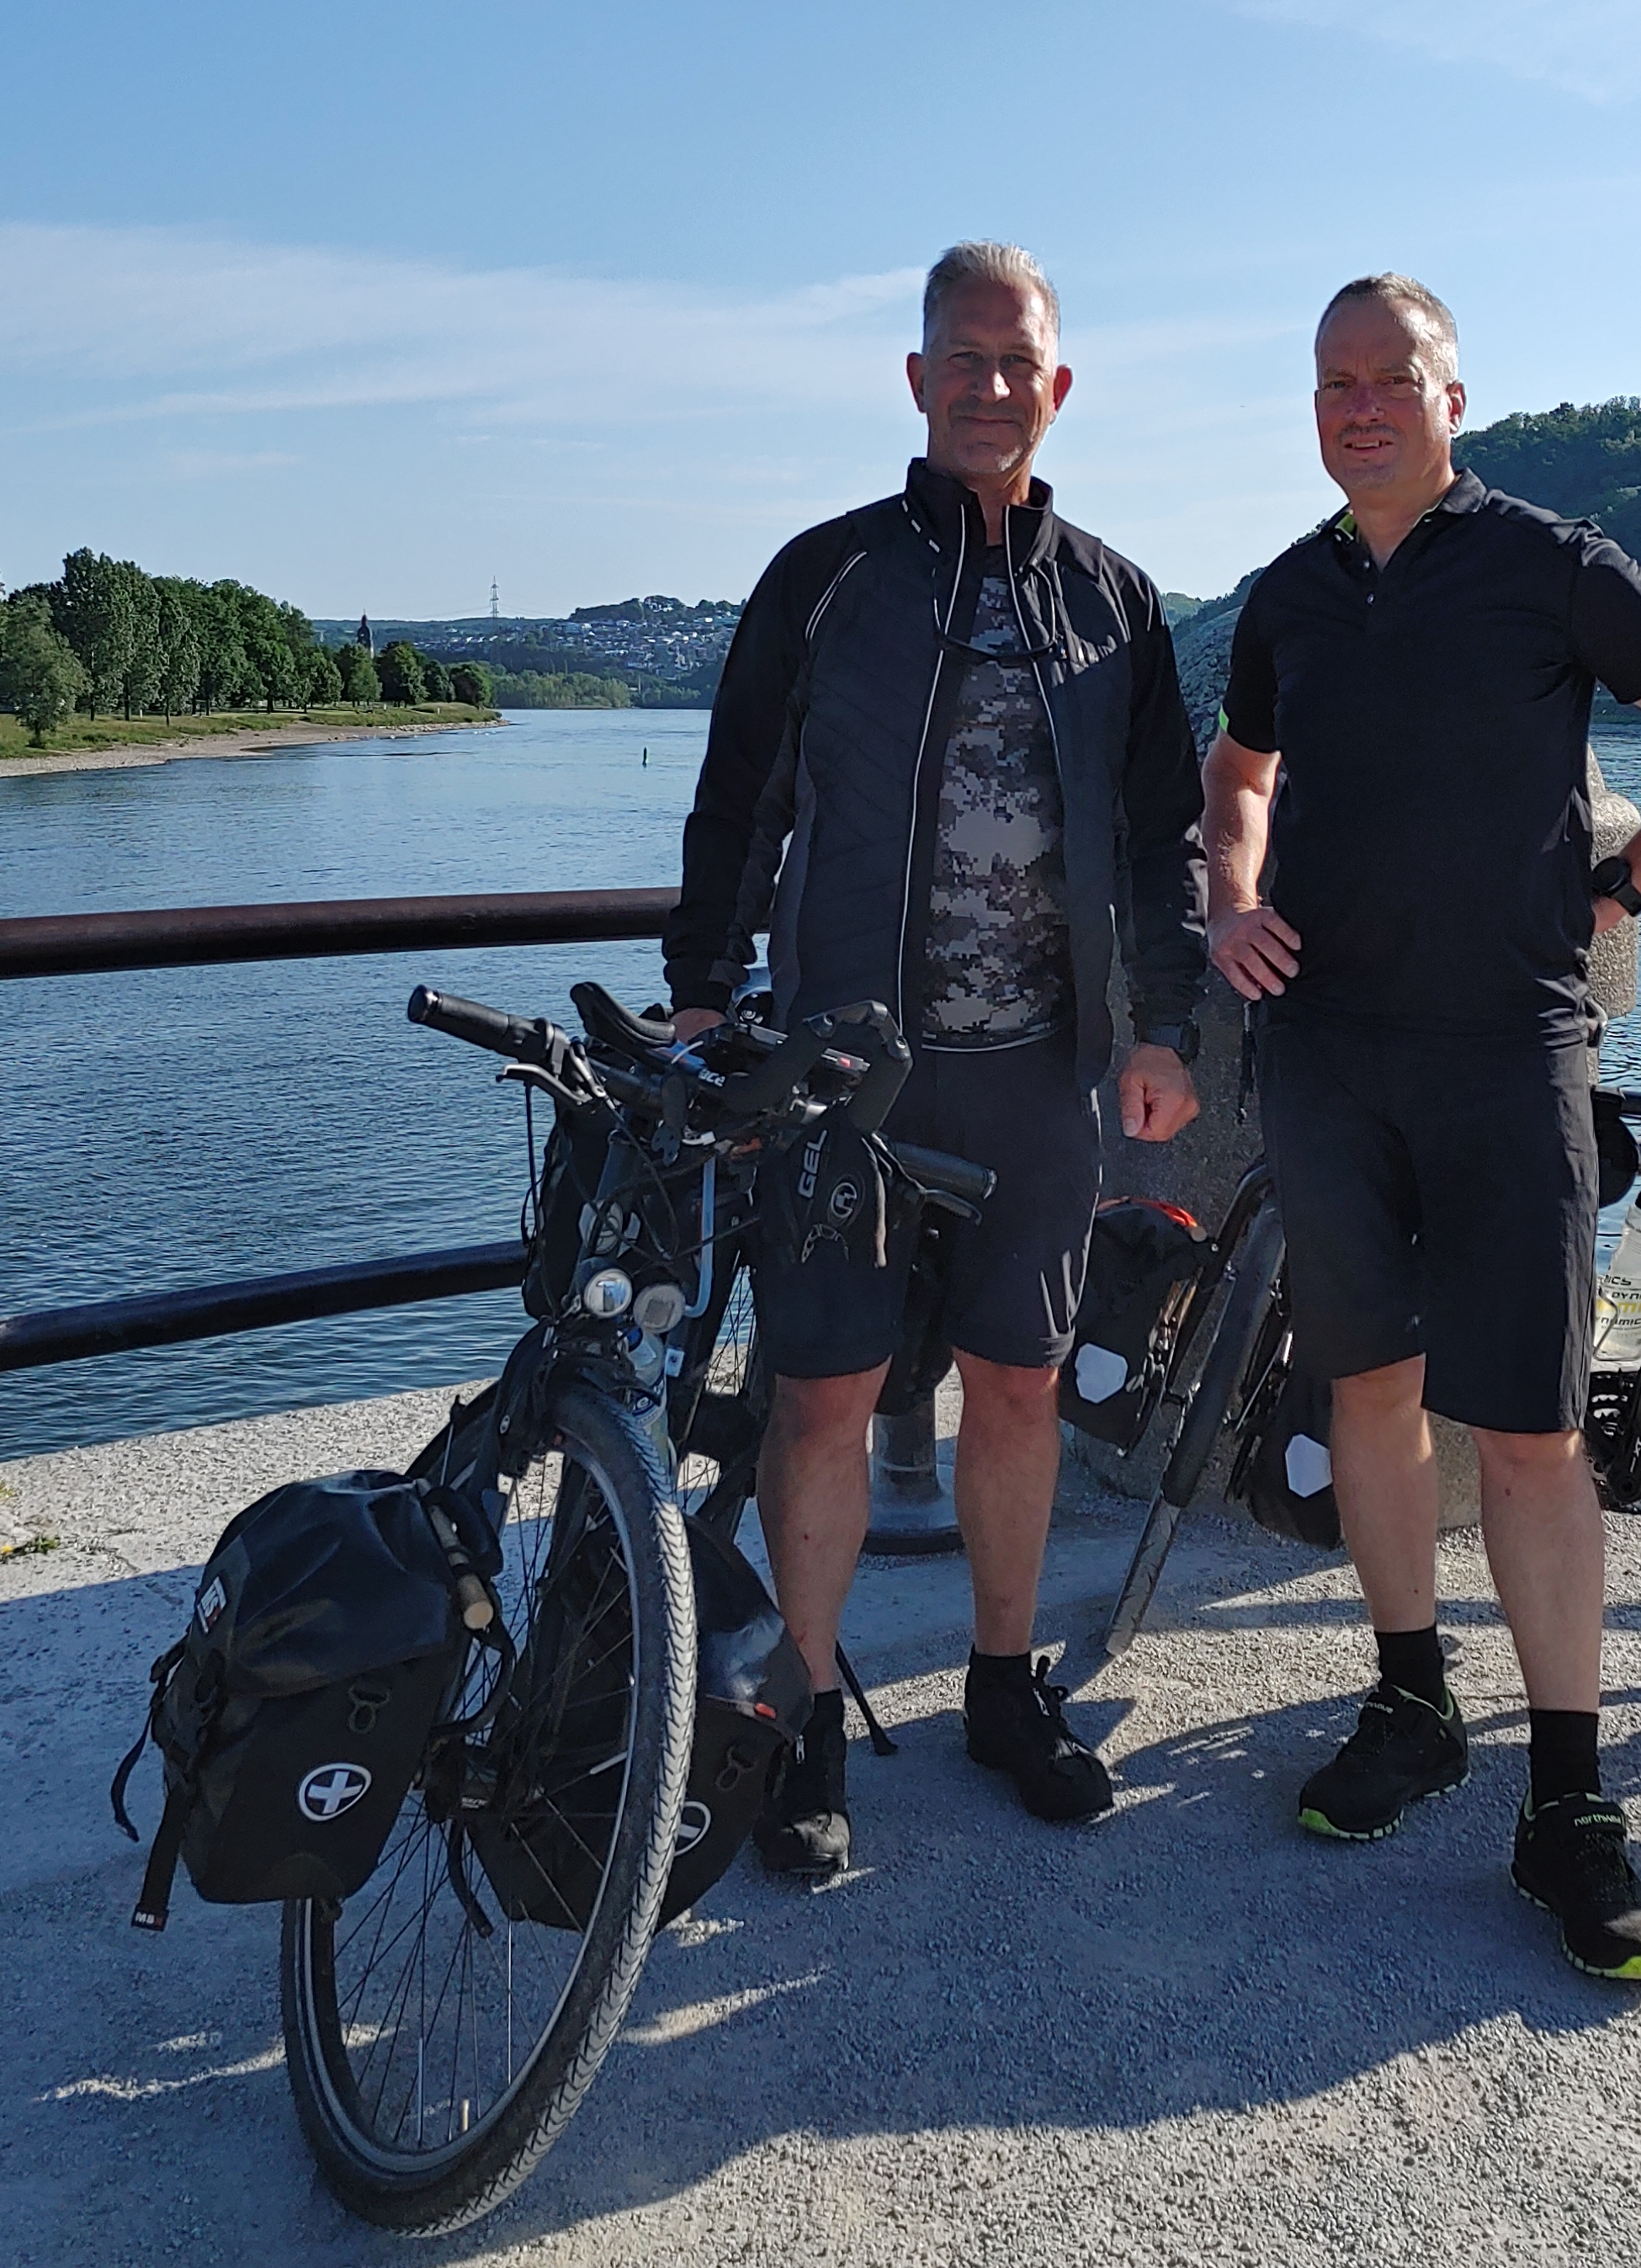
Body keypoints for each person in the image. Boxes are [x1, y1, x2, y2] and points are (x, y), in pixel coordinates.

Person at [1203, 274, 1641, 1982]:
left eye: (1394, 378)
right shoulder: (1285, 599)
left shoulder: (1552, 562)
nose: (1360, 406)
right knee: (1369, 1393)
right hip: (1324, 1054)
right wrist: (1230, 901)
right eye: (1334, 383)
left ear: (1456, 394)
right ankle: (1411, 1700)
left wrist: (1626, 879)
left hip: (1506, 1053)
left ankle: (1572, 1804)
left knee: (1533, 1430)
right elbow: (1239, 776)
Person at [664, 242, 1206, 1877]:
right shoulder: (828, 577)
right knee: (823, 1393)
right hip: (847, 1070)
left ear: (1058, 385)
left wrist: (1168, 1023)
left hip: (1040, 1071)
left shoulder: (1112, 600)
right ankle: (804, 1720)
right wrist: (704, 990)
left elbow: (1163, 831)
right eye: (959, 360)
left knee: (1026, 1383)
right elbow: (736, 789)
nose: (988, 385)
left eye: (1015, 361)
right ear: (917, 382)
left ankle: (998, 1682)